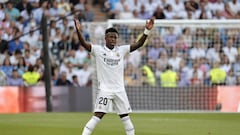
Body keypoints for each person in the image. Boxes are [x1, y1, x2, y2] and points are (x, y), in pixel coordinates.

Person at [74, 17, 155, 135]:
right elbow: (83, 44)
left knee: (125, 117)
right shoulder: (98, 50)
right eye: (111, 37)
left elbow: (139, 44)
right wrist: (78, 31)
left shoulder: (121, 50)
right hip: (105, 89)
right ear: (105, 38)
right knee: (98, 116)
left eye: (115, 37)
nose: (113, 39)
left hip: (119, 90)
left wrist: (146, 31)